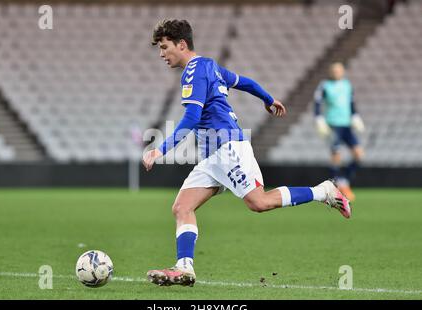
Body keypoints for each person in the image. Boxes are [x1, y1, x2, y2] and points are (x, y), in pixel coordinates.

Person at [143, 20, 351, 287]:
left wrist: (160, 149)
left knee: (259, 203)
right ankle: (185, 268)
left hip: (228, 148)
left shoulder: (194, 71)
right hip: (212, 156)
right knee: (182, 207)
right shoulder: (210, 66)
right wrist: (267, 98)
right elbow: (244, 82)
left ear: (181, 44)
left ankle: (324, 191)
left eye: (164, 47)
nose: (161, 54)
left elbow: (192, 117)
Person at [314, 62, 365, 201]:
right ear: (330, 72)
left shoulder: (347, 85)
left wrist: (355, 116)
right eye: (334, 70)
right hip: (333, 124)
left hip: (346, 125)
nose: (336, 73)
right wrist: (319, 118)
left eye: (339, 70)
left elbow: (351, 102)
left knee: (359, 154)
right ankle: (335, 187)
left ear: (342, 72)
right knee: (336, 157)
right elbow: (317, 102)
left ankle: (344, 181)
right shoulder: (325, 85)